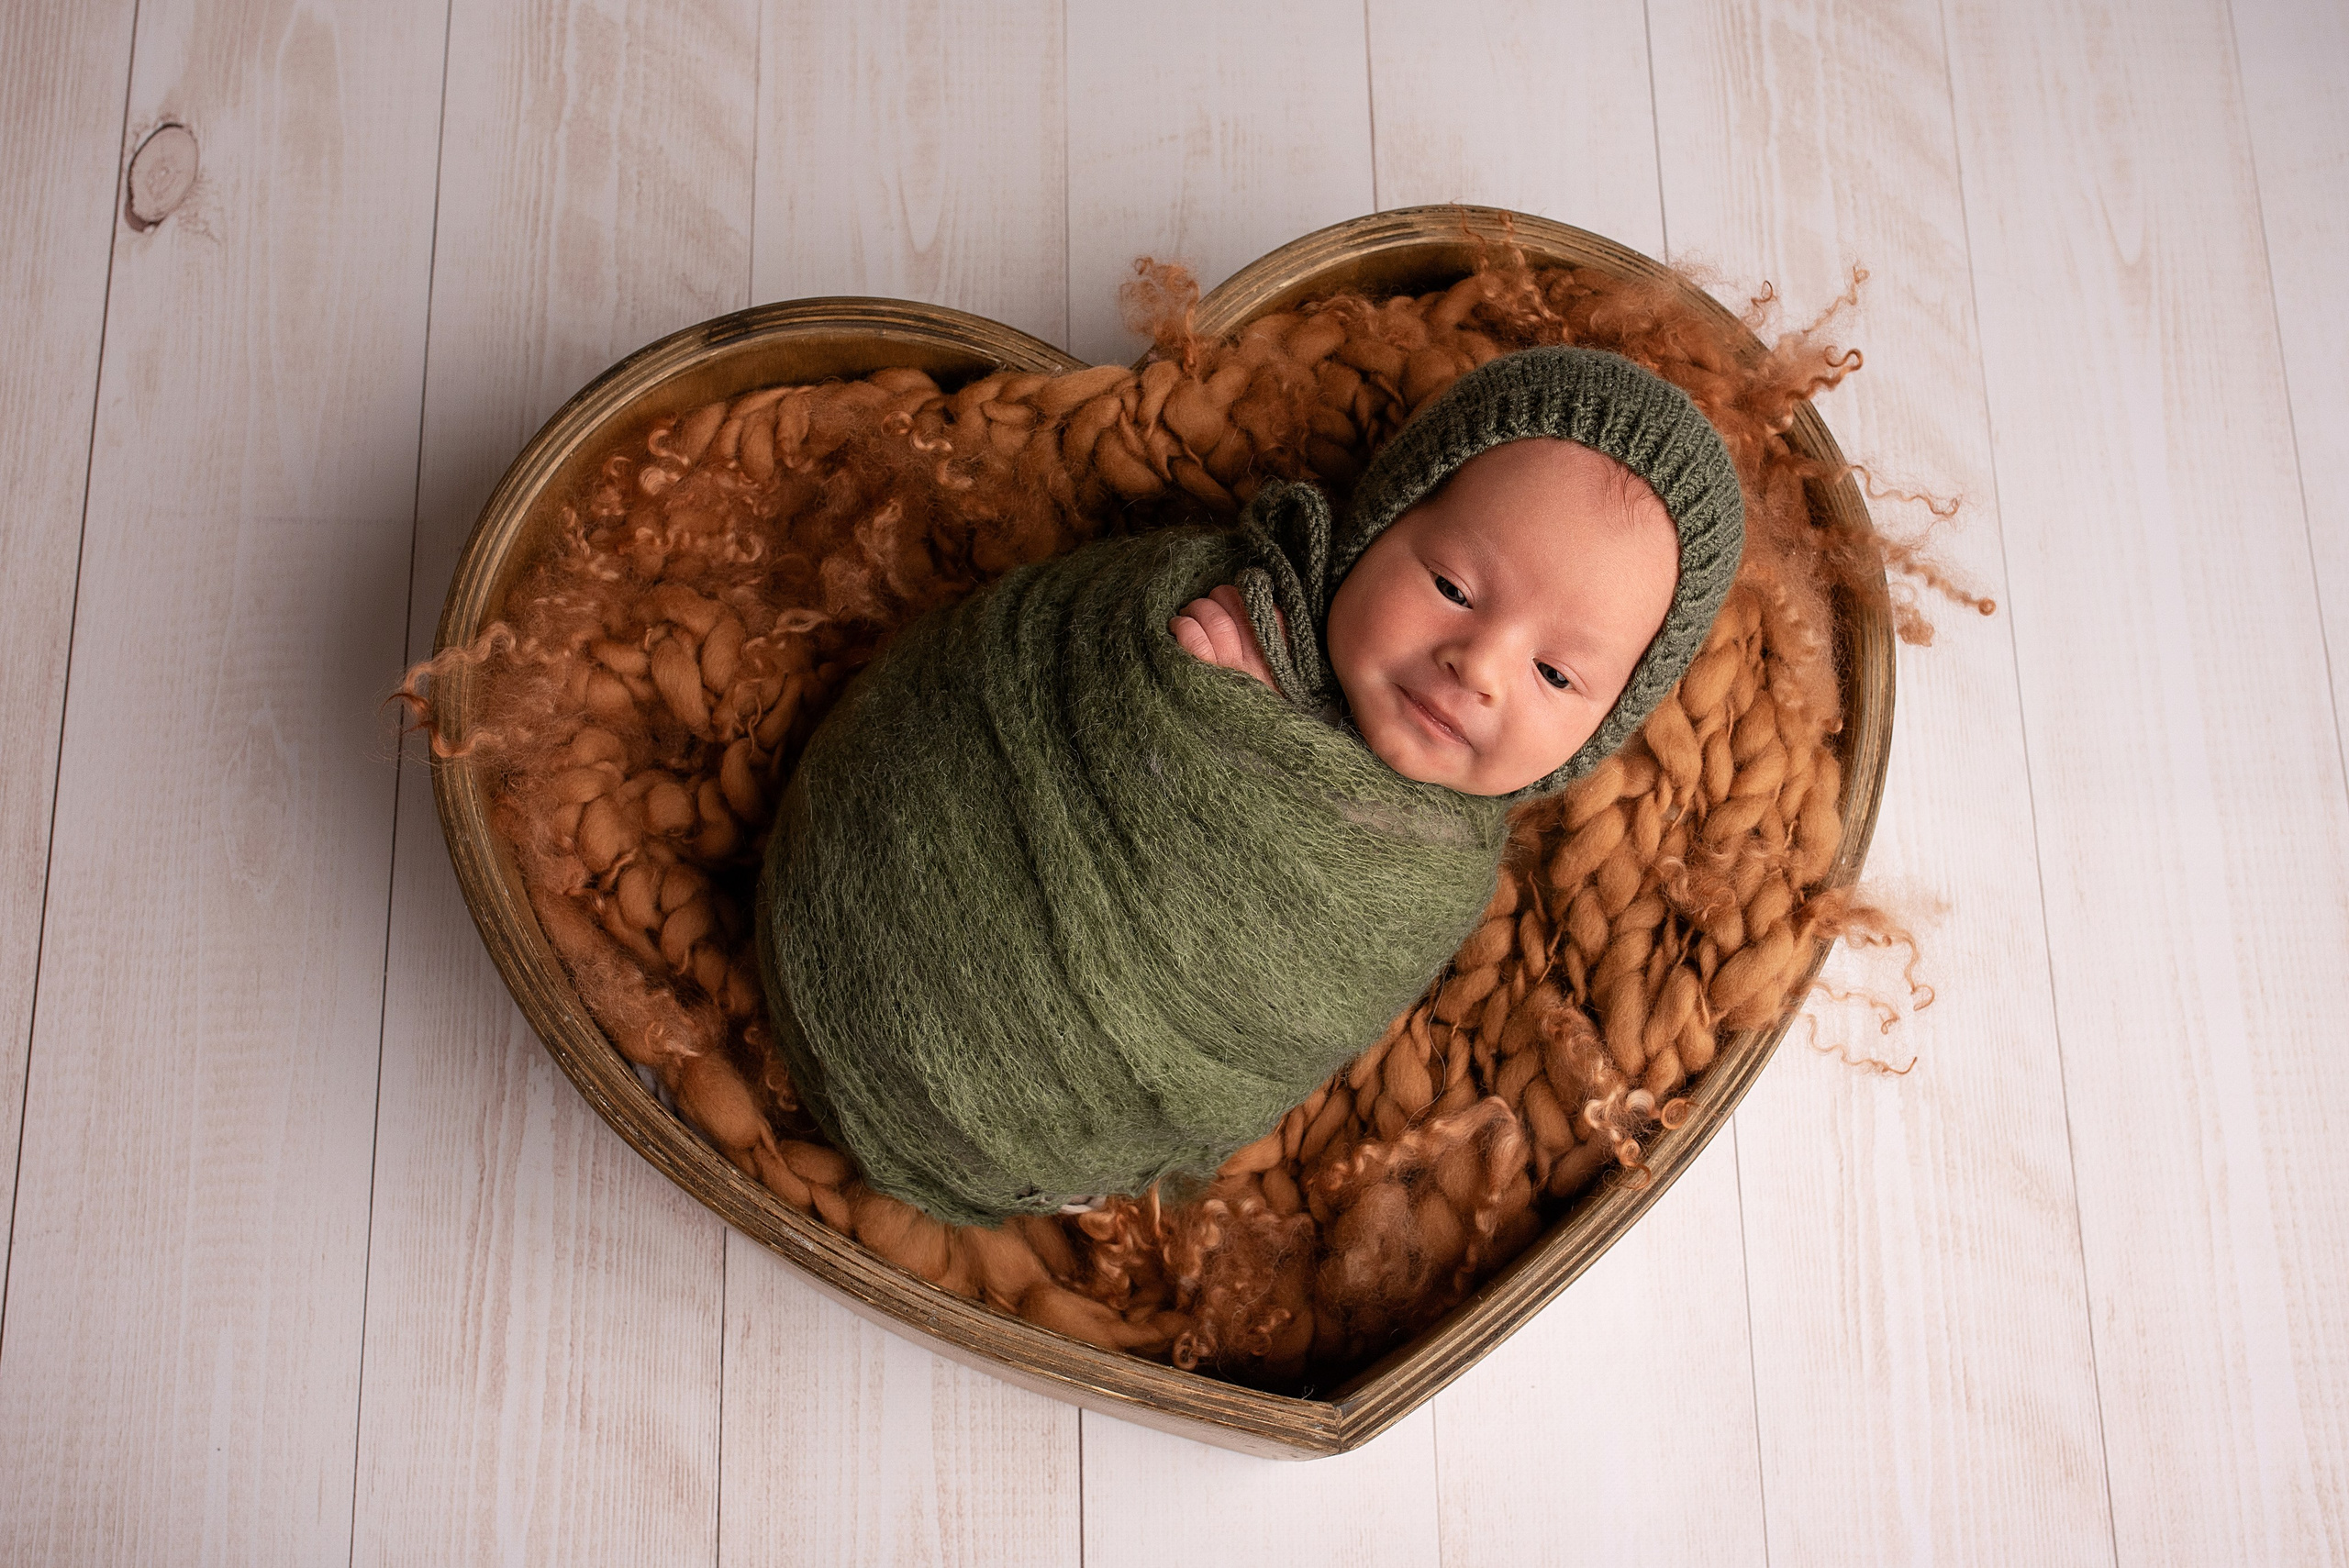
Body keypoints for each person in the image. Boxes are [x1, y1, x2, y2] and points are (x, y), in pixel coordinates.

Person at [756, 344, 1745, 1225]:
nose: (1478, 664)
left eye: (1556, 675)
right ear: (1382, 521)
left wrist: (1253, 765)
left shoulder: (1434, 877)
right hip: (857, 884)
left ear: (1598, 733)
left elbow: (1288, 998)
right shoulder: (1225, 597)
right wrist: (1185, 706)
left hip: (1022, 1121)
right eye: (1451, 586)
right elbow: (1032, 667)